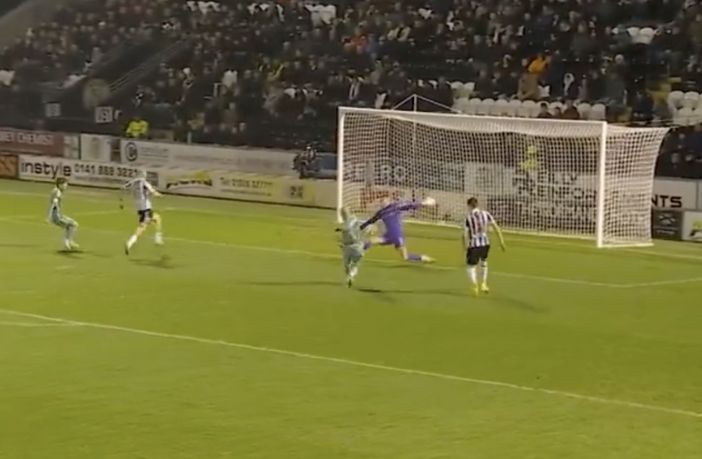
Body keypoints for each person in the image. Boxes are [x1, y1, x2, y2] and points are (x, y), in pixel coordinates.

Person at [360, 196, 436, 263]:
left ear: (389, 201)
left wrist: (424, 203)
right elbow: (372, 220)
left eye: (384, 200)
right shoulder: (381, 212)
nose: (382, 202)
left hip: (396, 235)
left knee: (405, 256)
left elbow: (410, 205)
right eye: (381, 201)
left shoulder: (395, 206)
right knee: (372, 241)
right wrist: (362, 226)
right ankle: (423, 258)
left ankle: (423, 258)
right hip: (390, 235)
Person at [463, 197, 506, 296]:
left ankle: (474, 284)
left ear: (469, 206)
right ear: (477, 204)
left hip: (474, 245)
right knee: (484, 262)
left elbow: (464, 235)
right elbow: (496, 227)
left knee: (471, 266)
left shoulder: (468, 218)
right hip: (485, 243)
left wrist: (465, 246)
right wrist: (501, 241)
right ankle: (484, 284)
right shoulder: (486, 214)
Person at [121, 170, 164, 255]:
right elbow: (153, 192)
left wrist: (122, 199)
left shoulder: (133, 182)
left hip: (139, 208)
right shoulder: (144, 183)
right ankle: (130, 242)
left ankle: (157, 239)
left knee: (156, 218)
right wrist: (160, 195)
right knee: (142, 227)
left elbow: (123, 187)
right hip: (146, 208)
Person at [336, 207, 368, 287]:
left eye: (343, 213)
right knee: (351, 265)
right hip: (352, 246)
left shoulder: (351, 221)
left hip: (353, 246)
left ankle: (350, 276)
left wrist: (340, 229)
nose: (343, 214)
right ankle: (350, 276)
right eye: (342, 213)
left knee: (350, 265)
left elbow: (348, 228)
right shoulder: (351, 221)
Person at [47, 177, 79, 251]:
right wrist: (49, 216)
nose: (66, 186)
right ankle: (69, 243)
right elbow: (54, 203)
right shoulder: (57, 192)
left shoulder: (56, 190)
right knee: (74, 225)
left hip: (58, 215)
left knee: (70, 226)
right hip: (57, 216)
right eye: (65, 184)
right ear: (60, 185)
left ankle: (68, 244)